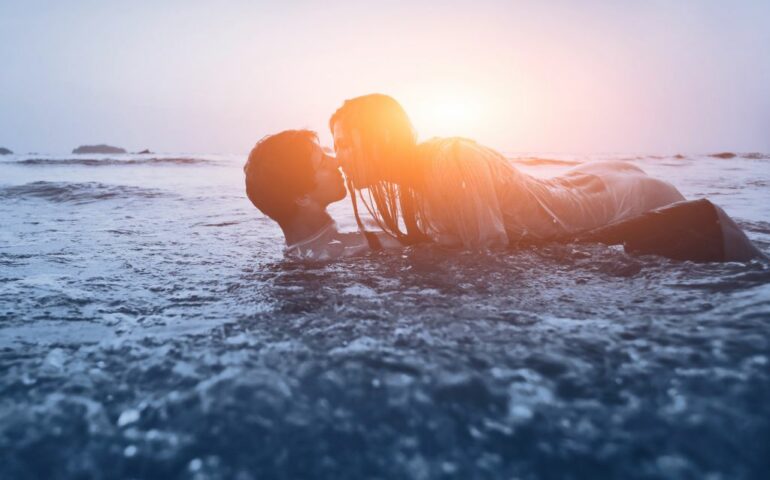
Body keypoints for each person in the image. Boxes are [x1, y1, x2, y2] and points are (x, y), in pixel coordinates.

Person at [329, 93, 765, 262]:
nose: (339, 157)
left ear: (379, 139)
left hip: (631, 199)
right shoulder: (416, 186)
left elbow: (491, 261)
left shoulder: (449, 162)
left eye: (345, 143)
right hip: (586, 186)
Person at [244, 129, 398, 260]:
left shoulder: (302, 251)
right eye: (323, 163)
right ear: (302, 197)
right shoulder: (352, 248)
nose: (336, 162)